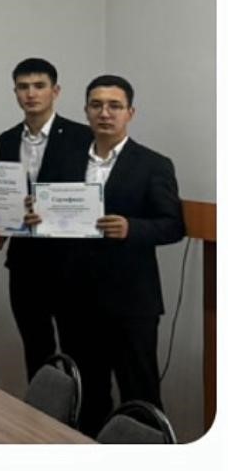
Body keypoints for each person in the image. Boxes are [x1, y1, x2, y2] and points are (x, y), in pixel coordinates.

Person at [40, 75, 185, 436]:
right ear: (86, 111)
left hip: (131, 304)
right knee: (87, 395)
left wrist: (132, 228)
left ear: (130, 113)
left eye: (114, 106)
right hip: (76, 301)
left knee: (140, 395)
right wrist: (37, 215)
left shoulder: (153, 164)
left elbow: (173, 225)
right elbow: (53, 217)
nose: (104, 113)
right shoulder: (66, 160)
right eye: (96, 105)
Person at [0, 57, 91, 380]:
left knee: (79, 351)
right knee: (36, 350)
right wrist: (1, 223)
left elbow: (90, 196)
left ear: (55, 91)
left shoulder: (83, 136)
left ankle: (82, 413)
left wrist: (48, 208)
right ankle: (41, 412)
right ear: (15, 93)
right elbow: (5, 197)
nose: (31, 94)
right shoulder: (6, 140)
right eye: (23, 87)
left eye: (39, 86)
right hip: (24, 263)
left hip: (70, 263)